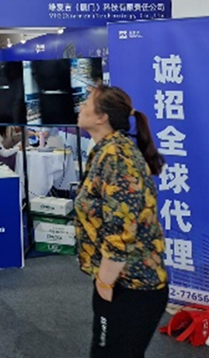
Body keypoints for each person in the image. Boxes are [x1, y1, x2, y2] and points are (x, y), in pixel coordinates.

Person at [74, 84, 168, 358]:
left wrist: (104, 286)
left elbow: (121, 232)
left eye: (86, 103)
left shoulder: (117, 157)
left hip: (133, 286)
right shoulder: (107, 150)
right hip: (121, 282)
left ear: (102, 117)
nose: (80, 106)